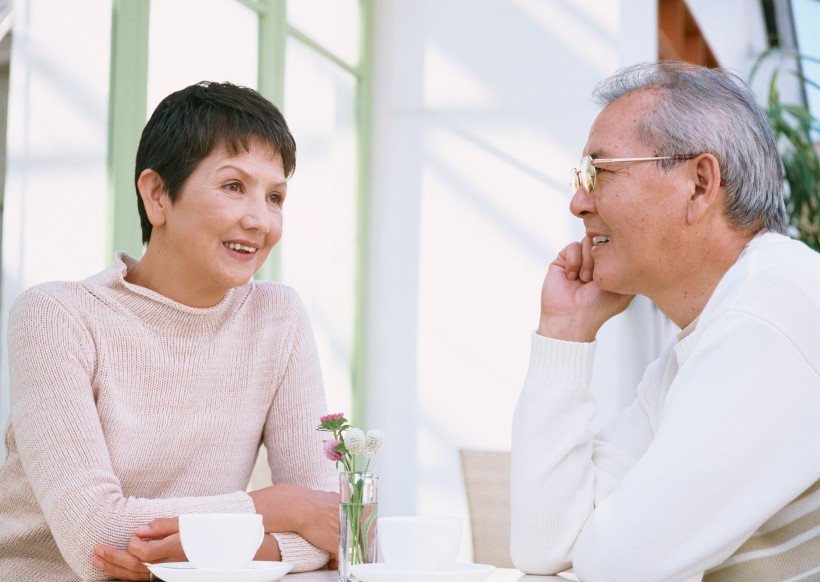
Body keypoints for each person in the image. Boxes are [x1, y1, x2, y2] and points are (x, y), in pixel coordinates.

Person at [0, 81, 339, 581]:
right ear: (157, 195)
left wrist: (190, 557)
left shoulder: (278, 316)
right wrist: (281, 506)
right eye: (233, 187)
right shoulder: (57, 316)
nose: (259, 219)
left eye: (275, 196)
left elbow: (329, 528)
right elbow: (98, 538)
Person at [510, 61, 820, 582]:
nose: (578, 202)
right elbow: (546, 548)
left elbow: (618, 568)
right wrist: (565, 332)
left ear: (699, 184)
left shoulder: (770, 311)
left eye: (599, 172)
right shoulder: (697, 347)